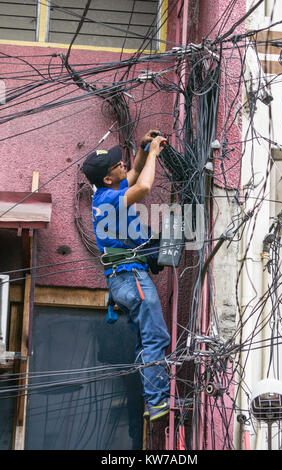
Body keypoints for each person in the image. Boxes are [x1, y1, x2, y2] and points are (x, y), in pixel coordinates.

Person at [82, 130, 171, 421]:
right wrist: (155, 154)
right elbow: (143, 186)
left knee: (147, 341)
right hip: (132, 277)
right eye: (116, 165)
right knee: (155, 336)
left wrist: (145, 147)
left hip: (123, 280)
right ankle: (157, 402)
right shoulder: (110, 199)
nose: (123, 165)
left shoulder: (107, 193)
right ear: (108, 178)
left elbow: (134, 171)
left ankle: (153, 397)